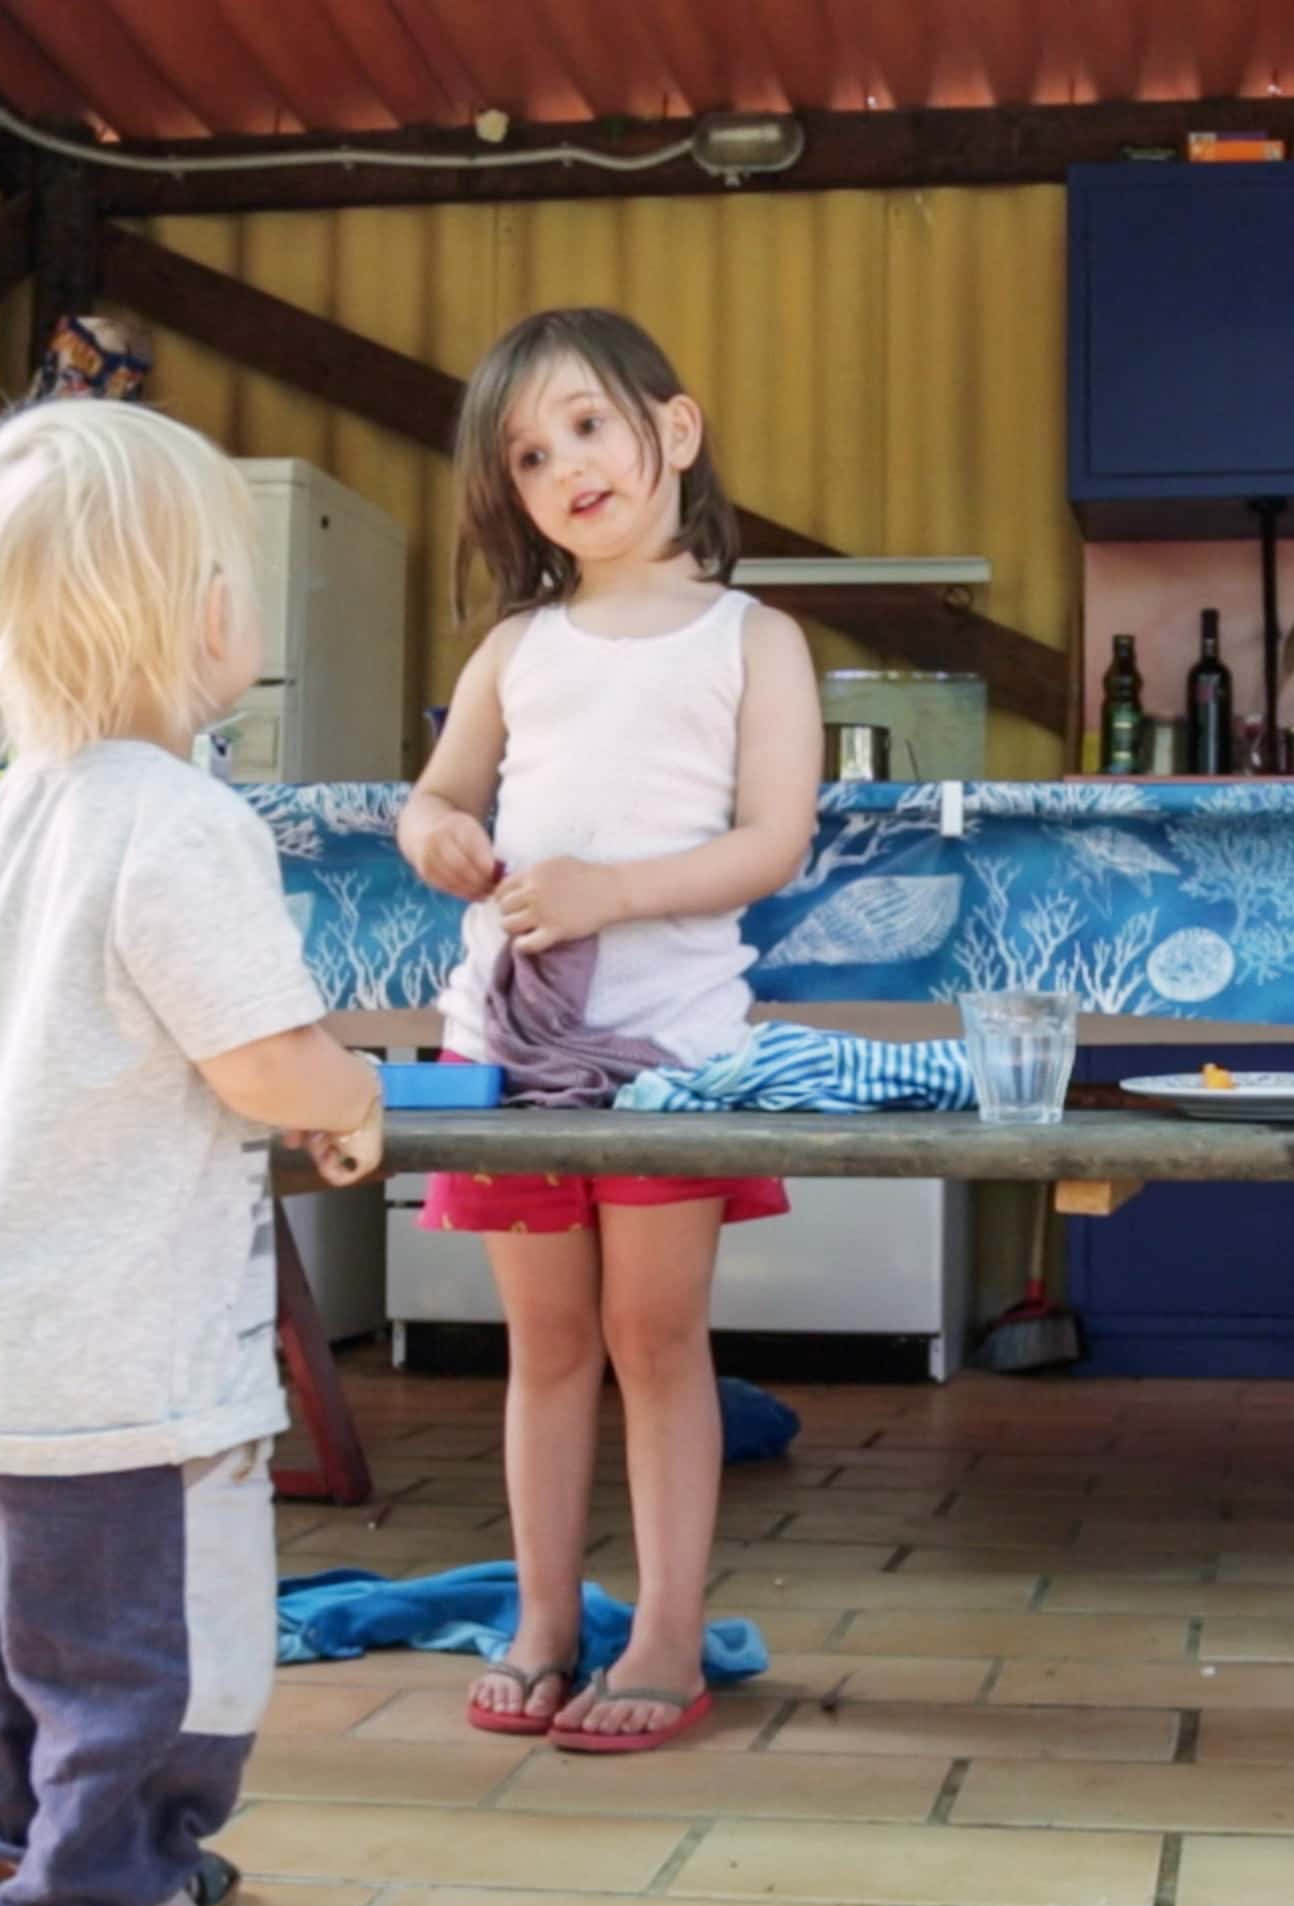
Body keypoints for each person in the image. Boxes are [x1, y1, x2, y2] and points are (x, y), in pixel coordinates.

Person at [0, 397, 388, 1906]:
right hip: (123, 1363)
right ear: (198, 614)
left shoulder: (10, 813)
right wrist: (353, 1097)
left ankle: (14, 1868)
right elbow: (261, 1060)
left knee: (6, 1649)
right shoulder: (181, 820)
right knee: (148, 1664)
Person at [398, 307, 820, 1754]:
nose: (564, 464)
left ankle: (663, 1628)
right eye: (528, 453)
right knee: (548, 1346)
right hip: (506, 1046)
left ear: (676, 432)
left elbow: (773, 839)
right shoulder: (519, 644)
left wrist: (611, 894)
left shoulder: (755, 639)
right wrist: (441, 837)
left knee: (655, 1337)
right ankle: (541, 1617)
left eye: (588, 424)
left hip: (667, 1050)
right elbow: (436, 795)